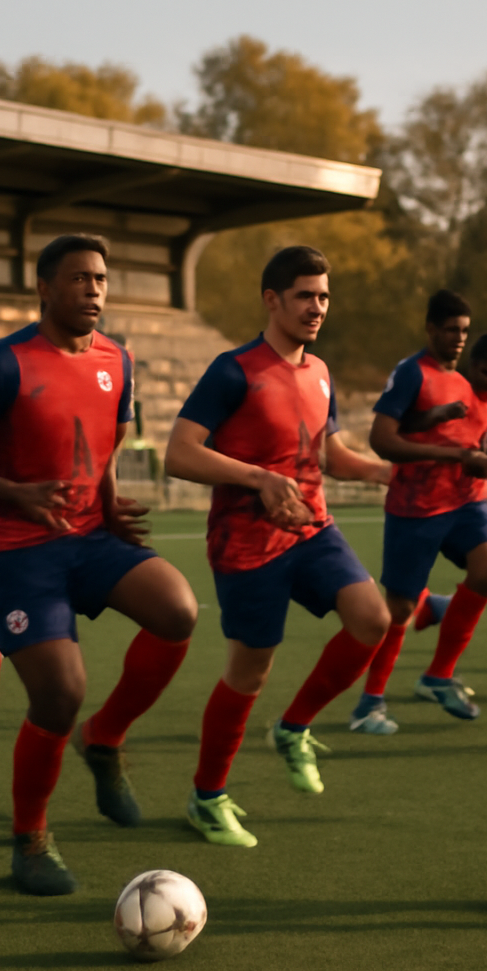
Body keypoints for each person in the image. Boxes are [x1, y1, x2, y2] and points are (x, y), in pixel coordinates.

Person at [0, 234, 198, 896]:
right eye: (79, 278)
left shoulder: (118, 360)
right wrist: (17, 493)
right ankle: (31, 839)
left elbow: (104, 447)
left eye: (101, 279)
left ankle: (103, 741)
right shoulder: (6, 363)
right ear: (45, 289)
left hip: (89, 537)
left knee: (178, 611)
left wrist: (105, 505)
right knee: (60, 692)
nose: (94, 290)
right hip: (18, 555)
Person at [166, 245, 392, 848]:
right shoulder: (231, 369)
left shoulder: (320, 372)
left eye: (323, 296)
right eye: (304, 296)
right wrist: (257, 478)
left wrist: (382, 472)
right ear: (272, 300)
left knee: (373, 619)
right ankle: (207, 797)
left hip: (313, 529)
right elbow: (179, 453)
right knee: (250, 669)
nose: (317, 307)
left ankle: (295, 728)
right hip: (245, 542)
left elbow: (332, 453)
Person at [357, 294, 487, 734]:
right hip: (417, 506)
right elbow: (383, 440)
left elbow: (467, 448)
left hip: (466, 502)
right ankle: (369, 705)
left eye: (464, 329)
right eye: (450, 329)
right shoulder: (412, 373)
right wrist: (446, 449)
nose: (459, 338)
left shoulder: (468, 386)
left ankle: (439, 675)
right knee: (400, 608)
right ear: (430, 329)